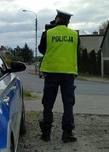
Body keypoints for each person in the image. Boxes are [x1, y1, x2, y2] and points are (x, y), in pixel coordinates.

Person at [38, 9, 80, 143]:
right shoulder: (74, 35)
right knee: (68, 104)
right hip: (68, 74)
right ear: (68, 22)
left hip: (51, 73)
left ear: (56, 19)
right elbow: (76, 47)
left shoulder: (48, 33)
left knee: (48, 104)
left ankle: (46, 133)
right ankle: (67, 133)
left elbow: (41, 49)